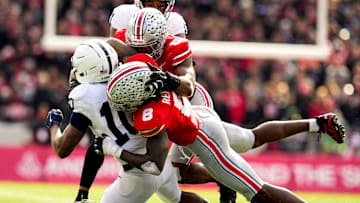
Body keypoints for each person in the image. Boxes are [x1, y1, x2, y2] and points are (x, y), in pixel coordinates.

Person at [102, 60, 345, 203]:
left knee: (257, 192)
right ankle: (317, 123)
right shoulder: (159, 84)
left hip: (202, 139)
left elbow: (154, 164)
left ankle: (224, 177)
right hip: (202, 117)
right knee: (251, 138)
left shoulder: (152, 114)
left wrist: (113, 149)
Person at [78, 3, 236, 203]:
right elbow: (107, 58)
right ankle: (82, 192)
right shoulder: (122, 27)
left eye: (159, 3)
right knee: (170, 186)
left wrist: (113, 149)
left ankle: (226, 177)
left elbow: (186, 80)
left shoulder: (175, 40)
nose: (142, 48)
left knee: (242, 141)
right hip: (143, 93)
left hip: (174, 97)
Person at [46, 39, 208, 203]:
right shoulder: (131, 78)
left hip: (138, 173)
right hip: (162, 160)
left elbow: (62, 149)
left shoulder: (85, 99)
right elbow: (97, 146)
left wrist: (54, 124)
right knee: (179, 199)